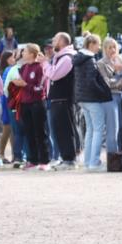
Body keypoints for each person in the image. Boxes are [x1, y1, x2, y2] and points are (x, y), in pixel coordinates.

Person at [73, 33, 112, 171]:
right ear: (91, 45)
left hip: (82, 99)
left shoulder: (79, 58)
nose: (99, 47)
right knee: (98, 129)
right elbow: (91, 82)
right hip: (91, 99)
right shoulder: (89, 59)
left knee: (90, 130)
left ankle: (88, 162)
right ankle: (94, 162)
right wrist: (102, 92)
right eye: (98, 44)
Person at [44, 32, 78, 170]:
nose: (53, 41)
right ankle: (65, 158)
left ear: (62, 42)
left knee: (65, 130)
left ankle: (70, 159)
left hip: (64, 99)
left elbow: (54, 75)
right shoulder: (59, 57)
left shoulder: (67, 58)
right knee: (59, 130)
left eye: (55, 39)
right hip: (57, 99)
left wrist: (44, 64)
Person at [16, 44, 52, 170]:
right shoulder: (24, 67)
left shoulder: (39, 67)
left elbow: (40, 88)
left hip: (37, 103)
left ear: (32, 54)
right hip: (25, 103)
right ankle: (33, 160)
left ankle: (44, 161)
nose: (22, 53)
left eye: (25, 51)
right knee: (29, 133)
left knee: (40, 132)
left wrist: (25, 85)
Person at [98, 37, 122, 155]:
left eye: (114, 47)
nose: (113, 50)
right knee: (112, 128)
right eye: (110, 47)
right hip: (110, 98)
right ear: (105, 49)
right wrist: (118, 83)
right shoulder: (101, 63)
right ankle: (112, 157)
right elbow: (106, 82)